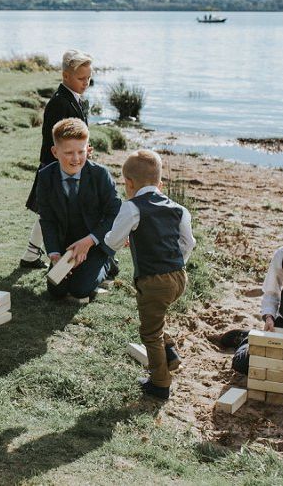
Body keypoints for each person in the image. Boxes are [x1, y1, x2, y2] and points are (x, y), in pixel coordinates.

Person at [104, 149, 196, 400]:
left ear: (129, 183)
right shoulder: (178, 208)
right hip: (179, 277)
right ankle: (170, 353)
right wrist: (175, 263)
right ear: (160, 184)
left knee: (149, 332)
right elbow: (189, 243)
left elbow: (113, 241)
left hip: (154, 280)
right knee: (155, 317)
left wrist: (119, 238)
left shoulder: (132, 207)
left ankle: (159, 384)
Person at [21, 50, 94, 269]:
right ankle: (55, 257)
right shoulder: (59, 103)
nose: (86, 83)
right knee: (53, 213)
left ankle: (31, 255)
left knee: (48, 212)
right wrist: (76, 154)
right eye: (81, 78)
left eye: (89, 78)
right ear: (65, 77)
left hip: (67, 163)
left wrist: (83, 150)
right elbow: (57, 140)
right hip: (57, 166)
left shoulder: (73, 99)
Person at [37, 117, 121, 300]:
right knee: (56, 290)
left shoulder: (101, 175)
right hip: (65, 246)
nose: (75, 159)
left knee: (79, 290)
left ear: (88, 149)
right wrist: (54, 254)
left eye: (80, 152)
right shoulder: (45, 177)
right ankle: (76, 269)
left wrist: (89, 241)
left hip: (95, 244)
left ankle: (107, 264)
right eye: (68, 153)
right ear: (55, 151)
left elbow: (114, 213)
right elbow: (47, 219)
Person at [228, 197, 283, 374]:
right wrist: (269, 317)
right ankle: (248, 339)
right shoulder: (282, 255)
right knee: (242, 365)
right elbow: (271, 292)